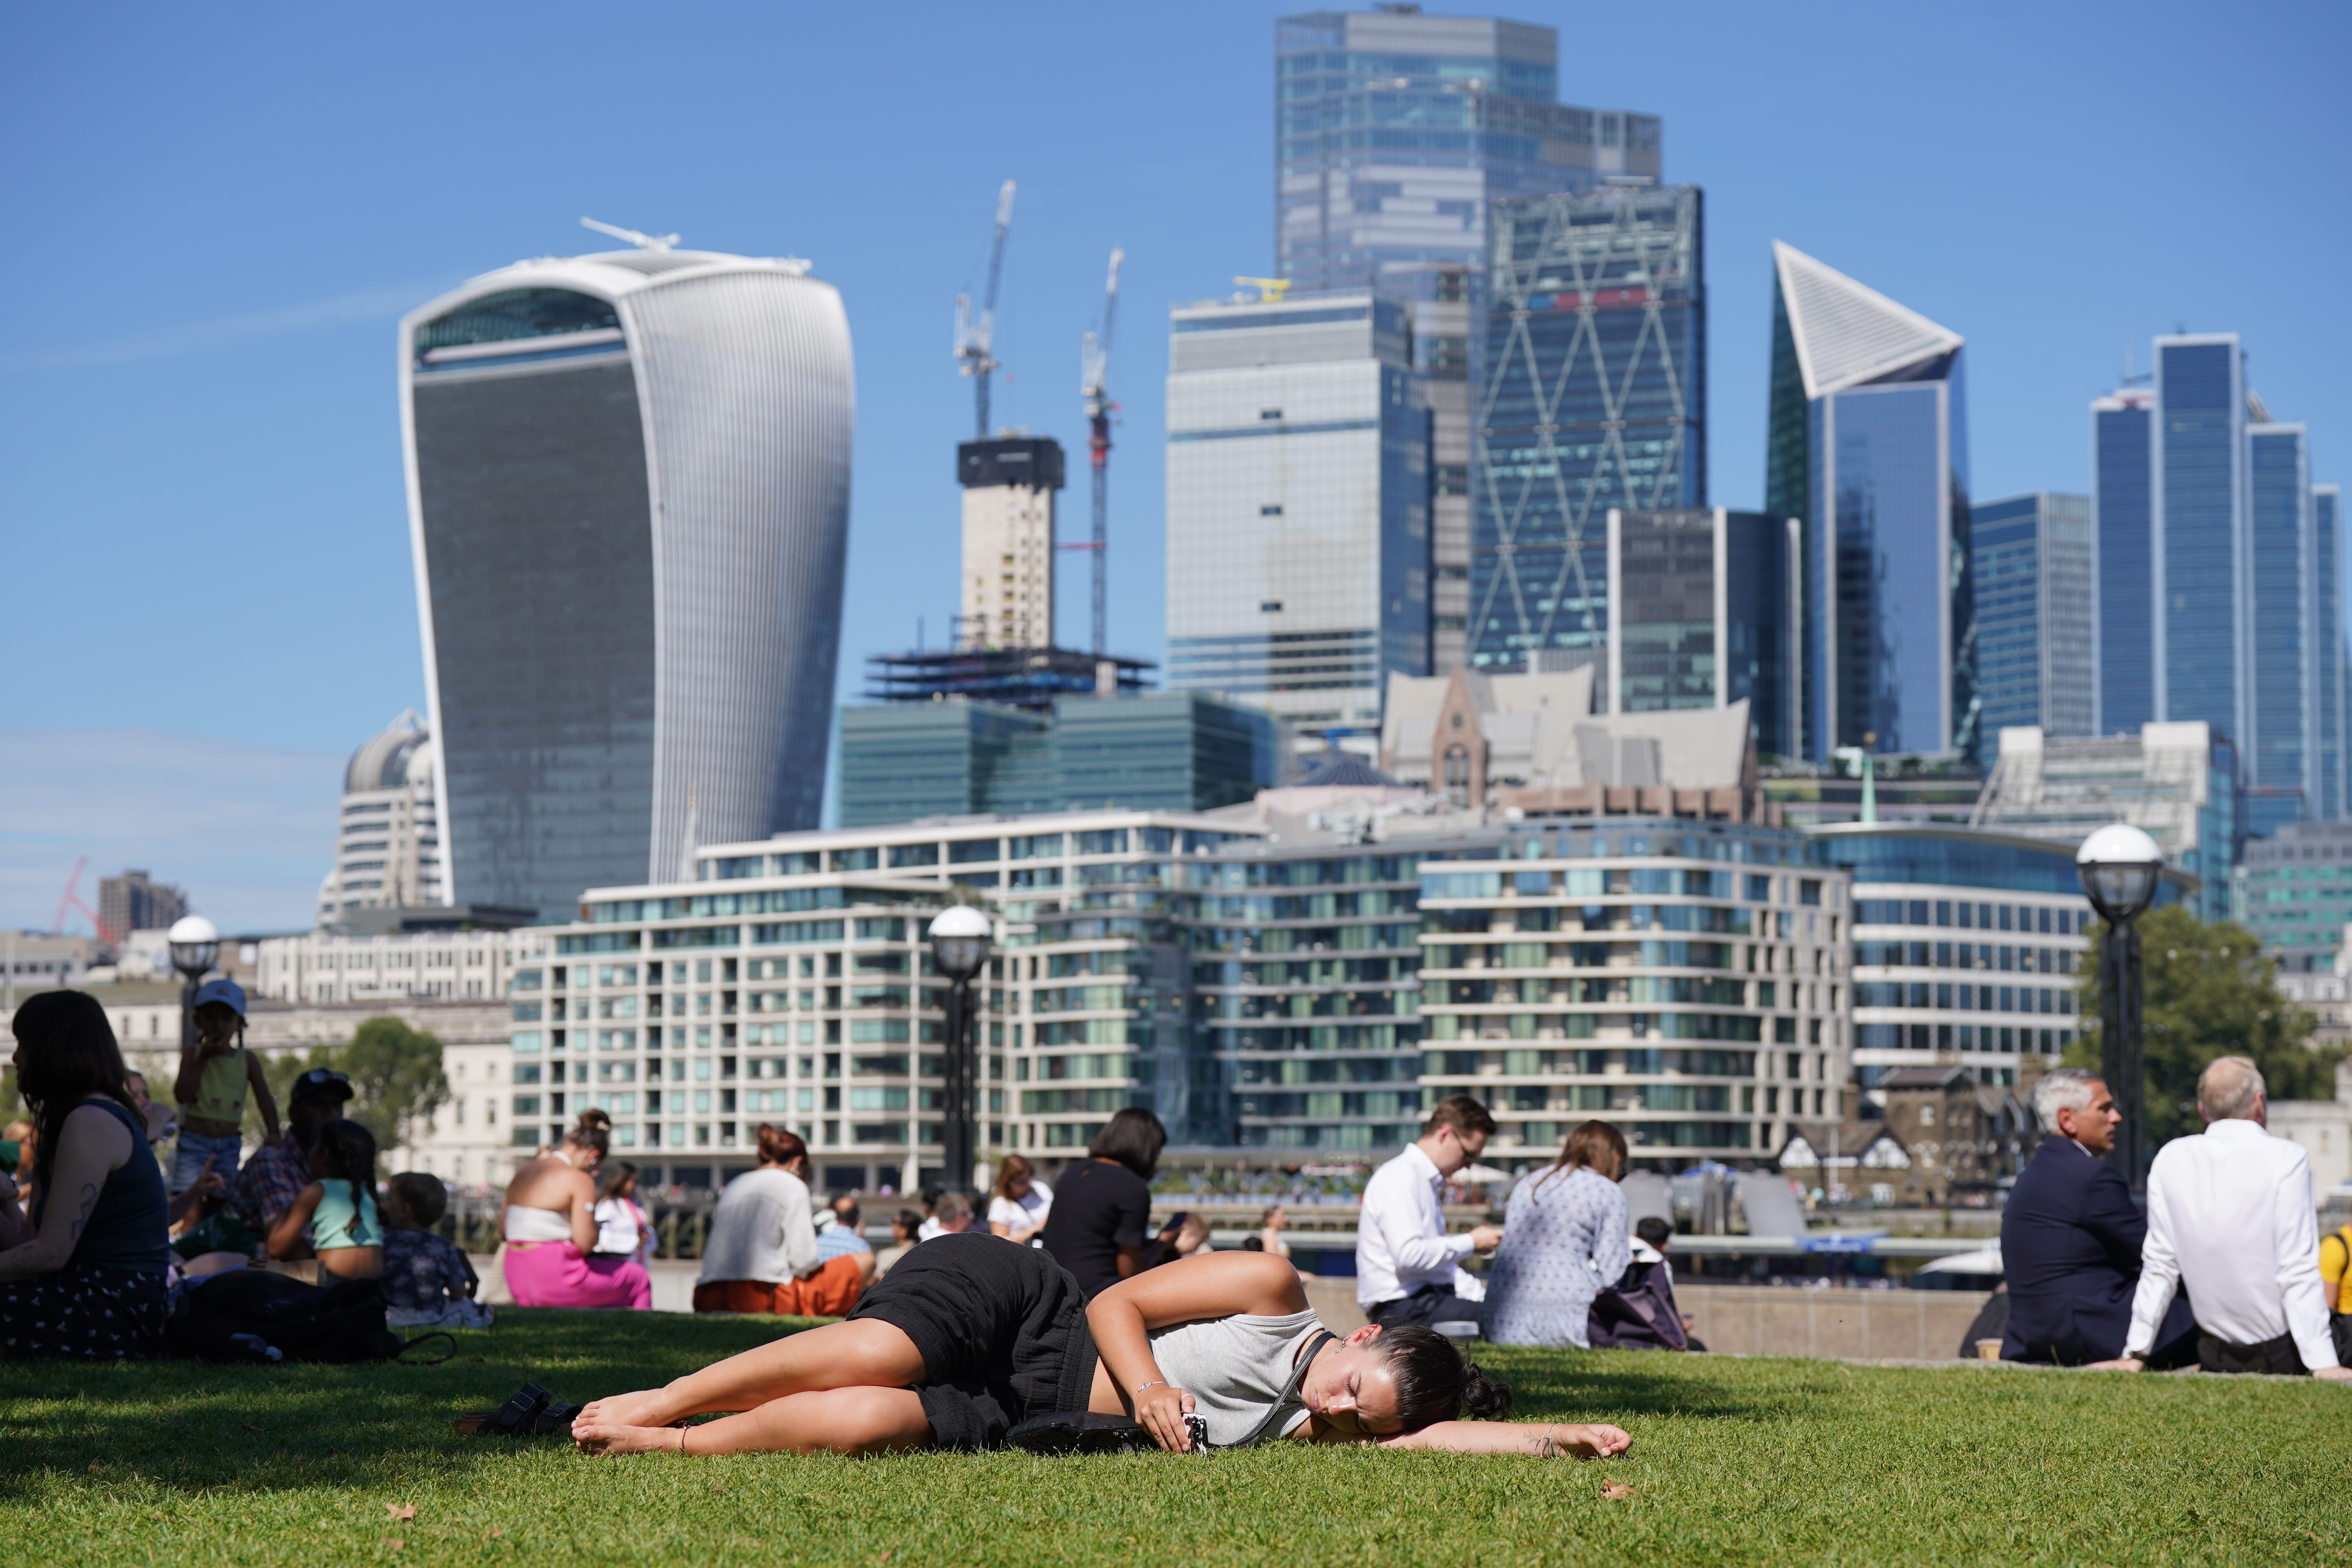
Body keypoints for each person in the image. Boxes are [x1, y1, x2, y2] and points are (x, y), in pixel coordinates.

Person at [571, 1238, 1633, 1460]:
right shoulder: (1275, 1292)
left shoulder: (1330, 1432)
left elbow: (1429, 1449)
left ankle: (671, 1451)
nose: (1342, 1408)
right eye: (1354, 1384)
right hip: (1030, 1311)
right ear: (1358, 1337)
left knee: (871, 1420)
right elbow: (1119, 1302)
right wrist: (1157, 1390)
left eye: (1365, 1418)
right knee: (880, 1354)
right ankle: (665, 1399)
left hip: (1035, 1410)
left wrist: (1561, 1440)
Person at [2099, 1056, 2352, 1379]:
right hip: (2283, 1351)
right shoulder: (2287, 1158)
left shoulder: (2170, 1158)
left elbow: (2160, 1265)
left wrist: (2136, 1352)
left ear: (2203, 1110)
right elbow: (2296, 1267)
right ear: (2259, 1102)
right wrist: (2323, 1363)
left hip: (2216, 1351)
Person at [0, 992, 171, 1358]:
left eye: (23, 1045)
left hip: (112, 1310)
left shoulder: (90, 1122)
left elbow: (49, 1257)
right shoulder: (70, 1123)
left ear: (53, 1050)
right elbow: (33, 1246)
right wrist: (3, 1201)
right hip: (89, 1298)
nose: (16, 1059)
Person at [1999, 1068, 2195, 1367]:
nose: (2116, 1117)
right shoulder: (2092, 1177)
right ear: (2068, 1119)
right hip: (2087, 1332)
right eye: (2104, 1109)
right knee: (2210, 1304)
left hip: (2035, 1335)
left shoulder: (2034, 1173)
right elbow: (2155, 1252)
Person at [1356, 1096, 1504, 1329]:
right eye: (1468, 1155)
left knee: (1503, 1312)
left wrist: (1484, 1296)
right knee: (1504, 1319)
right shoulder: (1402, 1176)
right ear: (1445, 1135)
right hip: (1402, 1307)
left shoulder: (1420, 1181)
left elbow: (1440, 1268)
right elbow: (1409, 1256)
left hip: (1419, 1301)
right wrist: (1471, 1242)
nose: (1468, 1165)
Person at [1485, 1120, 1628, 1348]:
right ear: (1612, 1159)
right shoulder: (1607, 1191)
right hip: (1567, 1324)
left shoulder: (1529, 1182)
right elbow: (1614, 1271)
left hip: (1502, 1320)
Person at [695, 1125, 860, 1316]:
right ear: (798, 1163)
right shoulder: (793, 1186)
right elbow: (804, 1260)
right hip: (766, 1295)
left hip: (710, 1295)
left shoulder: (735, 1184)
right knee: (861, 1262)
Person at [502, 1110, 648, 1310]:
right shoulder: (580, 1179)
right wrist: (595, 1228)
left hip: (516, 1278)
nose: (593, 1174)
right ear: (593, 1157)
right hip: (556, 1279)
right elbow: (585, 1242)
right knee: (638, 1278)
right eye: (595, 1169)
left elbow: (504, 1232)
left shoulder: (523, 1173)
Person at [169, 978, 280, 1195]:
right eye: (211, 1017)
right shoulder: (193, 1056)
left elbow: (264, 1098)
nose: (219, 1025)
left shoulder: (247, 1060)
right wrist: (203, 1059)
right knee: (187, 1197)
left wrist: (274, 1132)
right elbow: (182, 1095)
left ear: (240, 1024)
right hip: (195, 1143)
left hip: (228, 1144)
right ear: (198, 1022)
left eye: (227, 1018)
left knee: (222, 1199)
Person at [1039, 1107, 1165, 1298]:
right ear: (1146, 1149)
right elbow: (1130, 1271)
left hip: (1053, 1287)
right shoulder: (1132, 1186)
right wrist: (1163, 1243)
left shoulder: (1074, 1171)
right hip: (1095, 1297)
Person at [233, 1068, 354, 1249]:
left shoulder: (339, 1166)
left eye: (337, 1105)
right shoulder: (271, 1161)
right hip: (258, 1266)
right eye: (318, 1104)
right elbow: (292, 1247)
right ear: (293, 1113)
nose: (330, 1113)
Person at [265, 1116, 384, 1281]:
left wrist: (284, 1213)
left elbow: (275, 1249)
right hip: (373, 1284)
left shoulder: (316, 1192)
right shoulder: (369, 1192)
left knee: (258, 1268)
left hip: (330, 1279)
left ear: (324, 1155)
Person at [381, 1171, 493, 1329]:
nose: (382, 1204)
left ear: (405, 1211)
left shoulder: (381, 1243)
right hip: (430, 1316)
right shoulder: (441, 1246)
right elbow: (459, 1291)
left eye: (389, 1199)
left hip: (387, 1314)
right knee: (474, 1309)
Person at [1588, 1213, 1690, 1352]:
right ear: (1664, 1246)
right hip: (1636, 1335)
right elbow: (1663, 1304)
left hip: (1594, 1326)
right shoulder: (1658, 1264)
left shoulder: (1608, 1249)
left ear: (1635, 1234)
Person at [592, 1162, 652, 1267]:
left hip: (639, 1261)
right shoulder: (607, 1205)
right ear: (621, 1181)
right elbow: (602, 1238)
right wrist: (635, 1242)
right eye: (633, 1181)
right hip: (617, 1265)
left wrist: (647, 1236)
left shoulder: (635, 1204)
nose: (636, 1185)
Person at [986, 1154, 1053, 1245]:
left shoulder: (1041, 1189)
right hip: (1024, 1255)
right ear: (1007, 1182)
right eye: (1020, 1182)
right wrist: (1033, 1231)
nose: (1026, 1185)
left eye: (1028, 1178)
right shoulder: (1000, 1204)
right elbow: (1000, 1244)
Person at [815, 1196, 878, 1288]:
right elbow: (870, 1281)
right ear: (856, 1219)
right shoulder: (860, 1246)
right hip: (848, 1300)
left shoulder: (818, 1242)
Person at [873, 1208, 923, 1278]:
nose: (892, 1226)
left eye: (895, 1222)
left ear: (903, 1230)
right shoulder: (920, 1250)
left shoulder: (904, 1254)